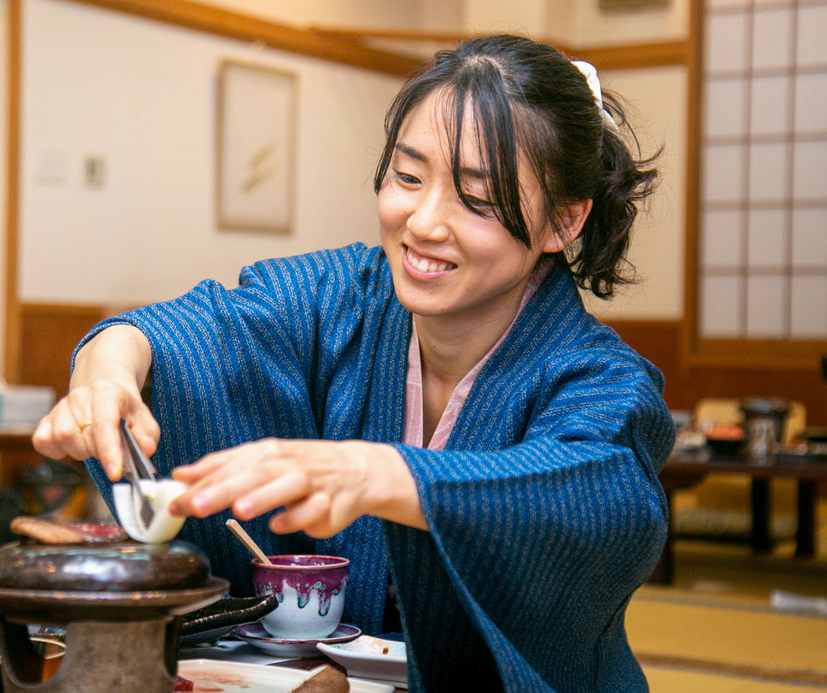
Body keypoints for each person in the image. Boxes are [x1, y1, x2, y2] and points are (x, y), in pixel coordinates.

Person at [33, 33, 674, 692]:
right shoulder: (342, 296)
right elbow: (189, 331)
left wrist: (377, 471)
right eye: (408, 175)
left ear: (562, 223)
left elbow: (600, 491)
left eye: (476, 200)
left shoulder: (600, 377)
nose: (424, 222)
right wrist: (106, 373)